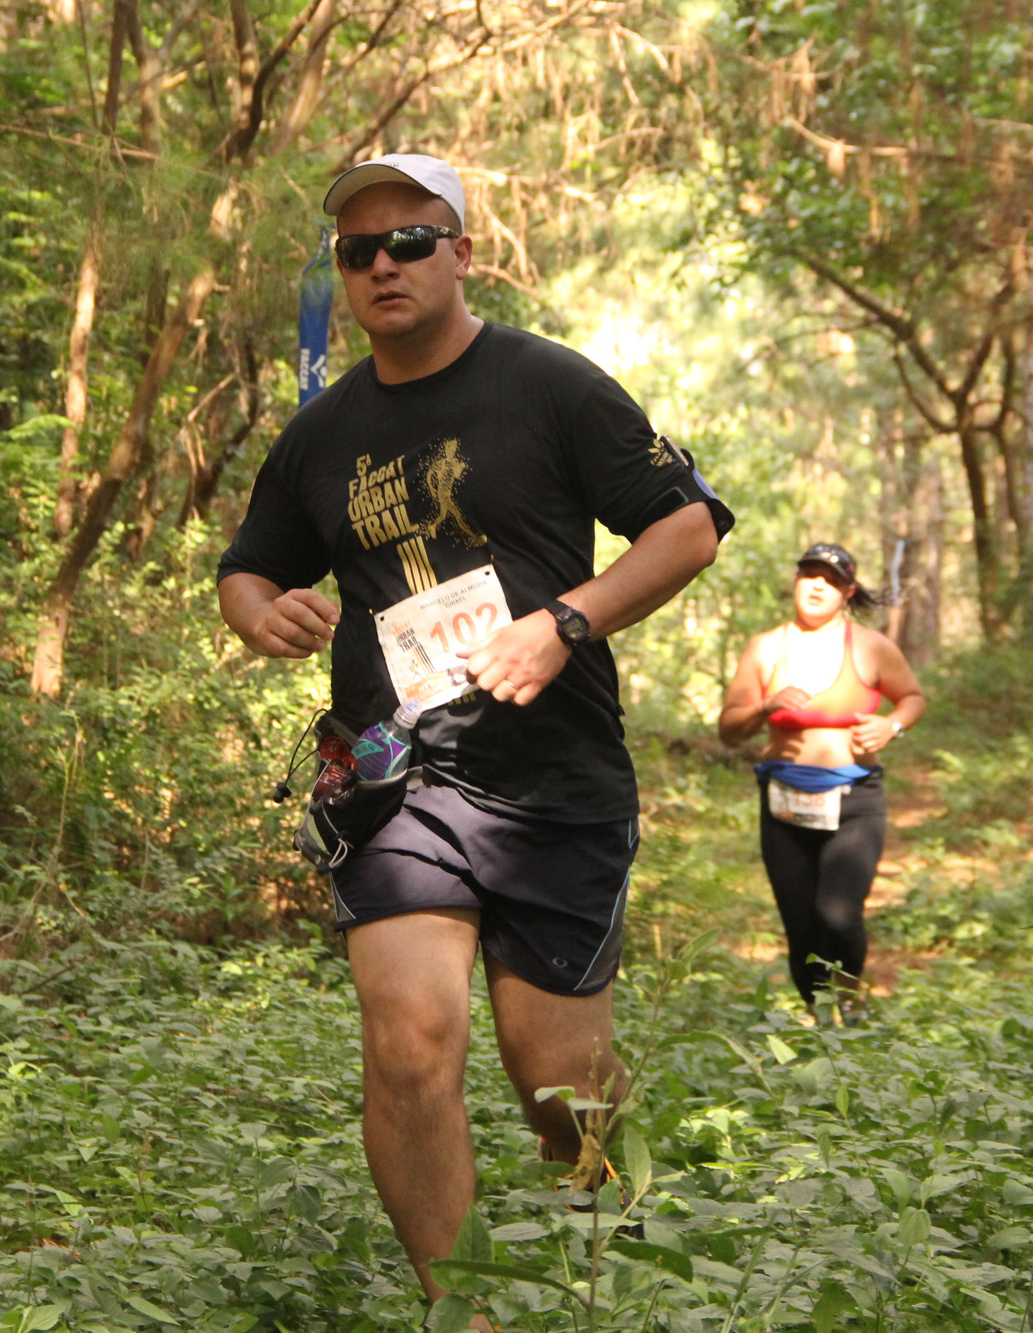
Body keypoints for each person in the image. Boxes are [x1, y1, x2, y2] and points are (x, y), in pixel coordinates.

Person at [215, 152, 733, 1321]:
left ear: (461, 252)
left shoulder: (549, 386)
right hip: (391, 779)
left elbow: (686, 527)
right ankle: (464, 1311)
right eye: (358, 250)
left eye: (409, 240)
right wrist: (263, 615)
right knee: (408, 1041)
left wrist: (565, 621)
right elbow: (247, 565)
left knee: (559, 1083)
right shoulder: (325, 431)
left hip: (551, 779)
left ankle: (609, 1271)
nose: (382, 264)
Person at [718, 542, 926, 1022]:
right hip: (784, 801)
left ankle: (850, 1000)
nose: (817, 585)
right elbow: (729, 730)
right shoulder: (766, 648)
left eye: (830, 580)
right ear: (796, 581)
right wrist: (765, 707)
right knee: (801, 926)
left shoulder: (872, 647)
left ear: (847, 592)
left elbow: (913, 696)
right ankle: (821, 1022)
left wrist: (891, 725)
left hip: (855, 799)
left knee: (838, 914)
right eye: (808, 574)